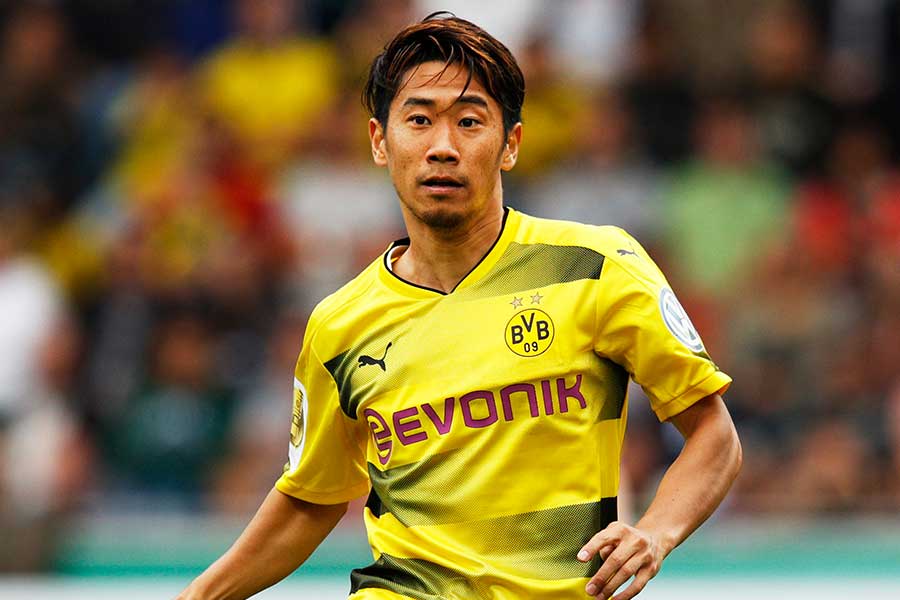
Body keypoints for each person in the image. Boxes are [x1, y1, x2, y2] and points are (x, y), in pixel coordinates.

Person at [177, 13, 742, 600]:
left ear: (510, 144)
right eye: (419, 120)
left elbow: (714, 435)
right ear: (379, 141)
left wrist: (654, 532)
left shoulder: (597, 266)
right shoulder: (340, 326)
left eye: (469, 122)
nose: (442, 147)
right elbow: (308, 501)